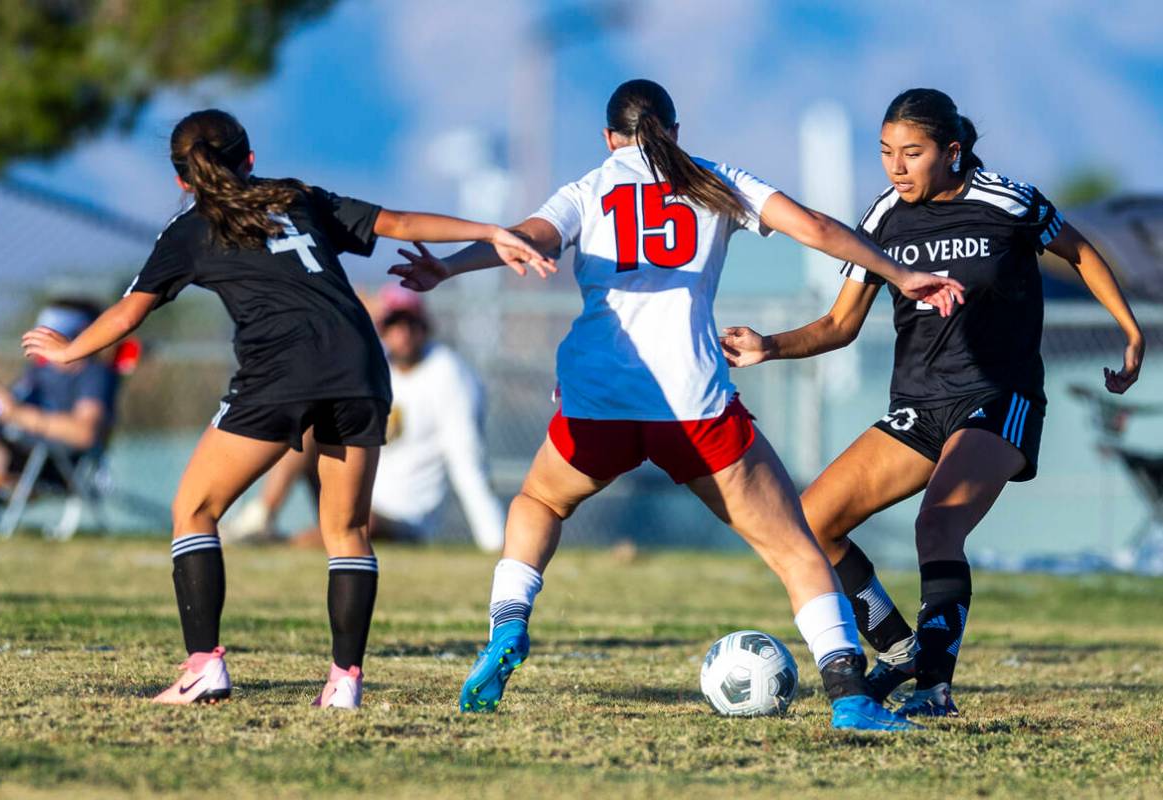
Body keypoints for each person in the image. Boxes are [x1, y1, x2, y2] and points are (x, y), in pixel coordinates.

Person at [390, 79, 963, 730]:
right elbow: (815, 228)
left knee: (540, 502)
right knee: (794, 548)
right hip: (691, 402)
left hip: (598, 399)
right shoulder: (713, 181)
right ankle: (850, 697)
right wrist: (901, 273)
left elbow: (526, 237)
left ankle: (506, 627)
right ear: (675, 131)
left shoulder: (588, 189)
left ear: (610, 138)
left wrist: (447, 268)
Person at [20, 109, 553, 709]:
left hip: (282, 372)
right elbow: (399, 221)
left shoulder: (189, 229)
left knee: (194, 508)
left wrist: (70, 351)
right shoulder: (297, 196)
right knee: (347, 529)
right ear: (249, 158)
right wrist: (489, 231)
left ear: (182, 180)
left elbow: (128, 313)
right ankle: (344, 683)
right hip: (360, 363)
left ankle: (204, 668)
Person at [720, 88, 1144, 717]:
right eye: (887, 152)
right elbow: (839, 325)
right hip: (918, 405)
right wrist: (769, 346)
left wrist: (1132, 334)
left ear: (951, 152)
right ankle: (897, 648)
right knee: (811, 523)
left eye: (911, 153)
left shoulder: (1011, 201)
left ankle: (934, 689)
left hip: (1000, 397)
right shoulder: (885, 216)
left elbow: (1080, 252)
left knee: (937, 522)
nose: (896, 166)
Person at [224, 285, 507, 551]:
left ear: (425, 327)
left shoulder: (448, 374)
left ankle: (283, 547)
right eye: (393, 324)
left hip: (403, 517)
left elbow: (467, 460)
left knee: (360, 524)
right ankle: (261, 517)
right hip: (356, 486)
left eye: (411, 323)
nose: (403, 333)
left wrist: (493, 539)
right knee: (308, 428)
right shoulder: (375, 364)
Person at [0, 298, 118, 490]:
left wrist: (18, 414)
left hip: (48, 461)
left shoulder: (93, 374)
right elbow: (8, 410)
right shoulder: (38, 370)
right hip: (9, 447)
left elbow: (85, 433)